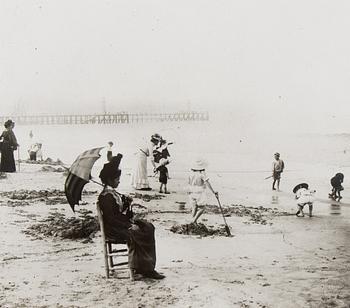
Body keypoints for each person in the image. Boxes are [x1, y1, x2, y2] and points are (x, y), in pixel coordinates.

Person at [98, 154, 165, 279]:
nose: (119, 181)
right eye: (117, 179)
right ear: (110, 180)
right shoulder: (106, 197)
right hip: (114, 229)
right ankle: (143, 268)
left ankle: (146, 266)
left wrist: (127, 203)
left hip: (120, 225)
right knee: (138, 232)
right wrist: (129, 225)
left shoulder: (112, 194)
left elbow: (121, 213)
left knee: (148, 227)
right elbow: (111, 219)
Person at [187, 159, 218, 223]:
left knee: (194, 207)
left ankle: (192, 221)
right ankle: (194, 220)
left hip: (191, 191)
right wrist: (213, 191)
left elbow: (189, 183)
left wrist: (188, 190)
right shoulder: (202, 174)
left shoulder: (191, 174)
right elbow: (207, 183)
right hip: (199, 192)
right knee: (202, 208)